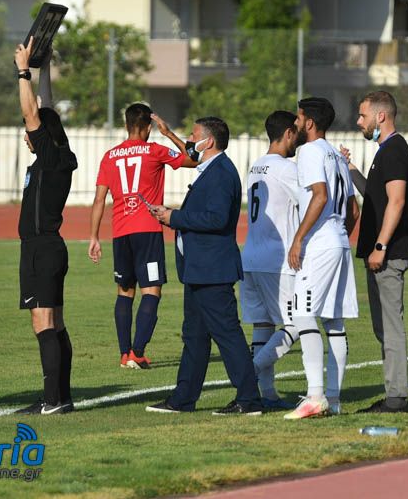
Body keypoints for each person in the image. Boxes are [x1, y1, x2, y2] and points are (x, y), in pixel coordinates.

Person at [145, 117, 262, 415]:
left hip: (213, 269)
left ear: (208, 141)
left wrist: (174, 217)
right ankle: (183, 399)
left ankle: (249, 399)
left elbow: (217, 219)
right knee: (194, 337)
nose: (189, 139)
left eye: (193, 134)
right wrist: (171, 215)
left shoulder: (221, 172)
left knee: (227, 334)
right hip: (199, 269)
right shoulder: (209, 169)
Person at [89, 104, 195, 369]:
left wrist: (94, 236)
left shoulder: (110, 156)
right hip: (147, 230)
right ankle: (137, 352)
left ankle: (124, 354)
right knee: (152, 290)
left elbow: (99, 199)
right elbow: (193, 160)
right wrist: (168, 133)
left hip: (120, 231)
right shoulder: (155, 150)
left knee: (125, 292)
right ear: (148, 127)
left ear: (126, 125)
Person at [344, 91, 408, 414]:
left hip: (388, 254)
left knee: (390, 327)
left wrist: (380, 246)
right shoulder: (385, 152)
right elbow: (376, 196)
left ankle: (396, 398)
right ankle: (393, 393)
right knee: (382, 327)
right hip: (381, 254)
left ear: (381, 116)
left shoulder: (394, 151)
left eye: (362, 115)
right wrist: (350, 169)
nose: (358, 121)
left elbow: (397, 201)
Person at [284, 97, 359, 420]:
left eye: (299, 118)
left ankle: (315, 396)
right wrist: (338, 235)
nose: (296, 124)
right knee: (333, 322)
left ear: (309, 122)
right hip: (338, 241)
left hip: (320, 244)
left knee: (302, 315)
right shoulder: (337, 156)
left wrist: (299, 238)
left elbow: (320, 195)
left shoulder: (310, 151)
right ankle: (334, 399)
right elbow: (353, 209)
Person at [14, 38, 78, 414]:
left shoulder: (51, 158)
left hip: (40, 249)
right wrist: (45, 68)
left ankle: (51, 400)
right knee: (55, 323)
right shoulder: (59, 154)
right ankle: (62, 398)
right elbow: (45, 109)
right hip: (51, 248)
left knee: (43, 324)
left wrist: (24, 71)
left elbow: (32, 113)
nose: (27, 132)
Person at [242, 110, 304, 410]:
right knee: (297, 325)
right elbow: (310, 202)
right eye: (296, 134)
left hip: (251, 257)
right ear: (288, 133)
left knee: (262, 326)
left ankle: (266, 394)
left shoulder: (256, 166)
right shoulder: (286, 168)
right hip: (276, 261)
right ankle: (248, 373)